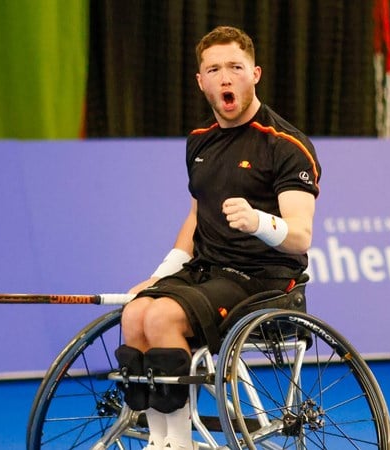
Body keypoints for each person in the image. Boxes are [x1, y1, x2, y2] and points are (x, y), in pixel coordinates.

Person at [114, 25, 321, 450]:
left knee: (162, 318)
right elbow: (196, 215)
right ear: (201, 81)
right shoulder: (198, 142)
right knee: (135, 313)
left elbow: (300, 237)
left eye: (235, 67)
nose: (225, 78)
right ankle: (161, 439)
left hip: (263, 279)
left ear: (255, 74)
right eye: (214, 69)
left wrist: (260, 222)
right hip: (206, 272)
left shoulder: (287, 145)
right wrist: (160, 275)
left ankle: (179, 445)